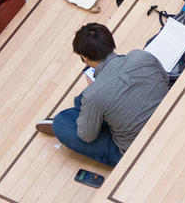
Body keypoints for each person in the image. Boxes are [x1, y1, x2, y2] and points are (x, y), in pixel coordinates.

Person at [33, 23, 170, 166]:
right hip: (168, 120)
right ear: (111, 43)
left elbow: (87, 137)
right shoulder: (141, 56)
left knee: (61, 121)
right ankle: (94, 112)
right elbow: (165, 80)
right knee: (89, 100)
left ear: (84, 58)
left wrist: (93, 92)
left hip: (137, 151)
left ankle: (90, 114)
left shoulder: (93, 95)